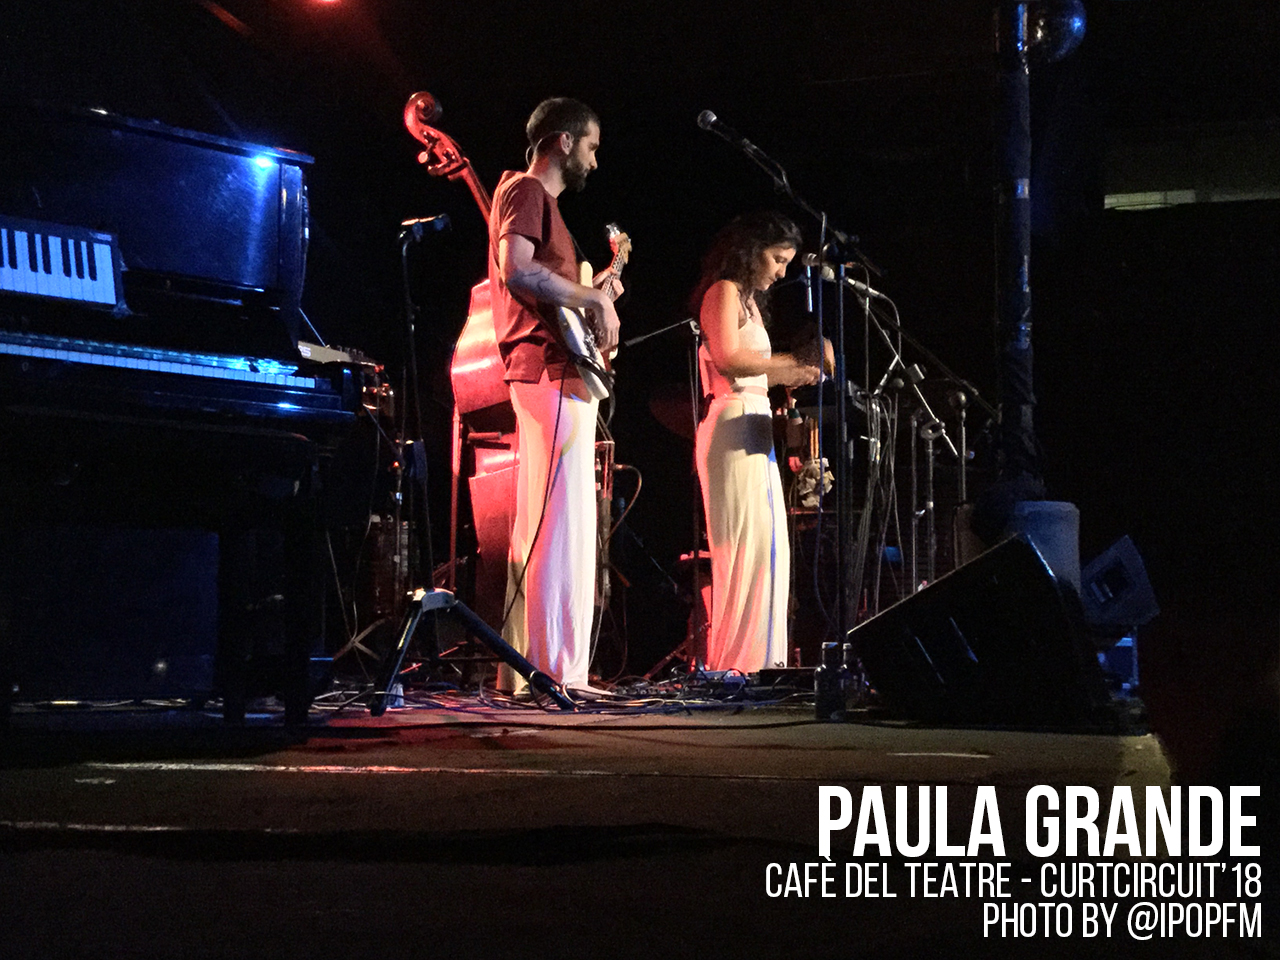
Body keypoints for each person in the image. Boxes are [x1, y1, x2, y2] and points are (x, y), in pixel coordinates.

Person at [487, 97, 621, 696]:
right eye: (591, 145)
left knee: (548, 523)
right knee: (561, 523)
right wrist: (591, 298)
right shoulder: (525, 190)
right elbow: (516, 270)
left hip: (553, 368)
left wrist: (592, 295)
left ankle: (534, 670)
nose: (594, 158)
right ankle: (557, 672)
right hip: (547, 369)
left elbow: (545, 284)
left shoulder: (543, 205)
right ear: (564, 141)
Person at [691, 211, 820, 674]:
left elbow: (757, 368)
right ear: (751, 251)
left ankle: (760, 664)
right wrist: (790, 366)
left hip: (754, 422)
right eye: (777, 259)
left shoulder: (748, 301)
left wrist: (796, 373)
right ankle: (738, 668)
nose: (782, 272)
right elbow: (728, 357)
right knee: (744, 551)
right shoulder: (723, 291)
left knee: (766, 551)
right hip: (732, 422)